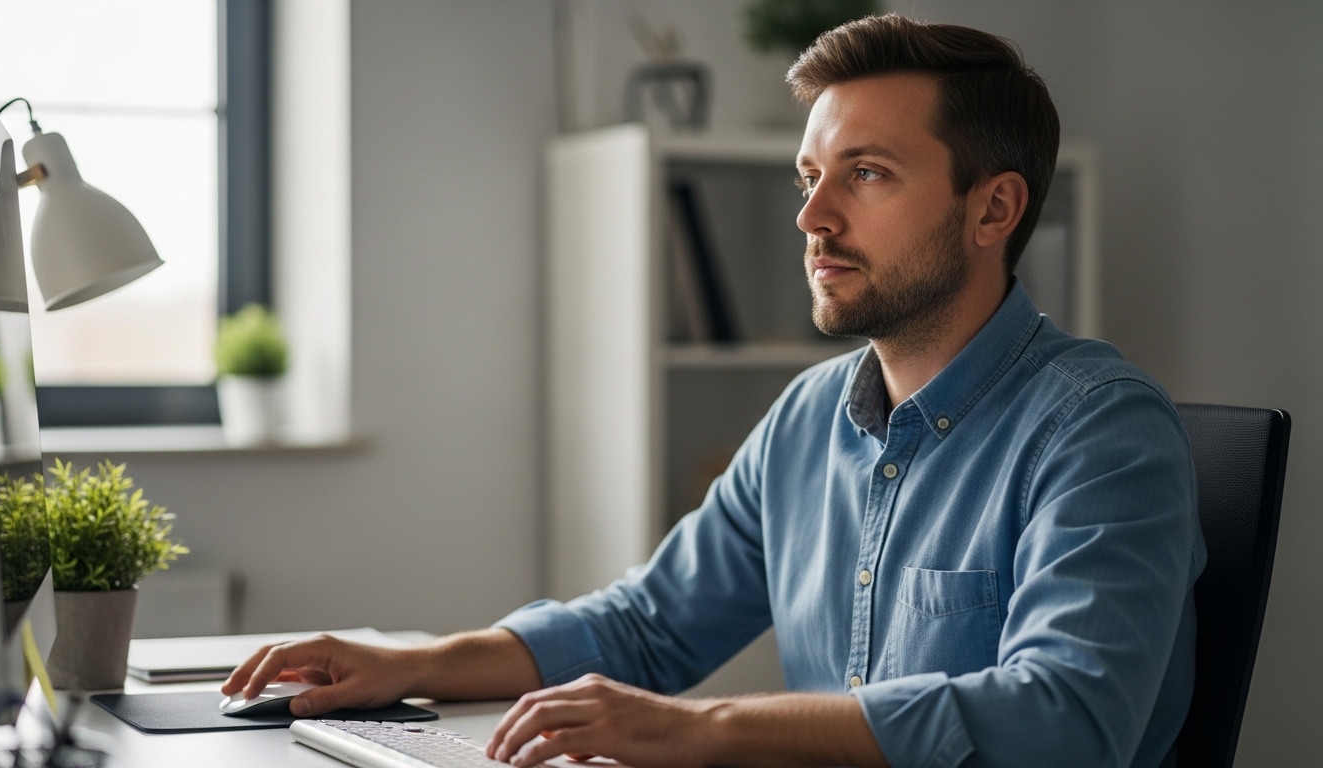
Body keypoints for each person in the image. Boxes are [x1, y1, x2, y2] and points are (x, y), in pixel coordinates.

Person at [224, 14, 1203, 768]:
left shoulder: (1100, 428)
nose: (813, 217)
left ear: (992, 207)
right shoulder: (810, 417)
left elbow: (1067, 720)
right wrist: (414, 665)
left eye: (864, 174)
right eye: (809, 177)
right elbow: (647, 627)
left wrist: (705, 731)